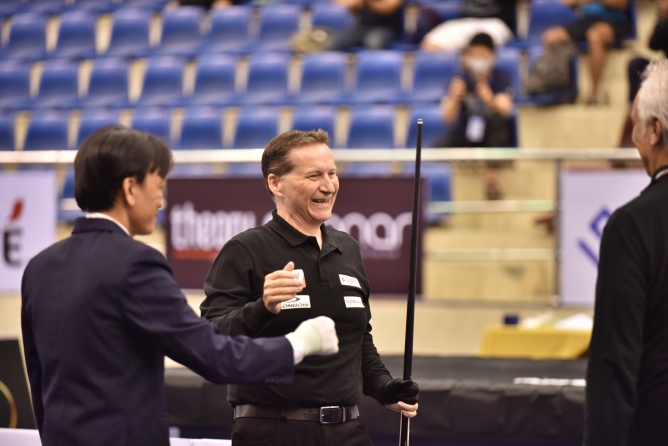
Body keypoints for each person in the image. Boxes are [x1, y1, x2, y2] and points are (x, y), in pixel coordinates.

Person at [21, 125, 339, 446]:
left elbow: (38, 378)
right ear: (131, 188)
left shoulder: (39, 266)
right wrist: (299, 344)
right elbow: (212, 354)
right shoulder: (136, 264)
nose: (161, 202)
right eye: (158, 187)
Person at [200, 130, 419, 445]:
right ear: (276, 183)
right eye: (314, 175)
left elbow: (358, 340)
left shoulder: (348, 248)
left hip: (349, 432)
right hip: (273, 432)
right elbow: (209, 340)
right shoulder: (245, 249)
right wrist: (262, 308)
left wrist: (383, 386)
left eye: (332, 173)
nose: (328, 185)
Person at [585, 59, 668, 445]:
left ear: (654, 131)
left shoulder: (631, 226)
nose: (631, 133)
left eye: (635, 122)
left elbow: (614, 366)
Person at [436, 33, 514, 199]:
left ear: (492, 57)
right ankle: (431, 192)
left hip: (491, 135)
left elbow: (505, 109)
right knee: (437, 147)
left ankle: (492, 182)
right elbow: (446, 118)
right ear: (467, 57)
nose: (478, 59)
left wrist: (490, 100)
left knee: (497, 123)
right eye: (474, 54)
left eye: (483, 55)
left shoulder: (501, 77)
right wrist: (454, 98)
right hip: (465, 133)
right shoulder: (458, 80)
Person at [541, 0, 631, 104]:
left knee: (594, 36)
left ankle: (593, 94)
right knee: (550, 37)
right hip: (585, 21)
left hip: (612, 20)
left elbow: (620, 4)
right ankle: (561, 92)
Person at [325, 0, 404, 51]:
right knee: (332, 43)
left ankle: (372, 74)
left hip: (386, 29)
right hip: (362, 28)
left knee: (373, 42)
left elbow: (389, 8)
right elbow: (346, 4)